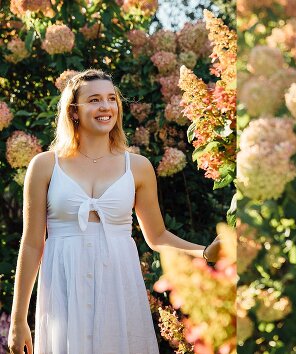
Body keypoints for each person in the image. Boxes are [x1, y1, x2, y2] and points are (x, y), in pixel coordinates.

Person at [8, 69, 221, 354]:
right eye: (94, 100)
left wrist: (204, 252)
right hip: (64, 287)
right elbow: (32, 244)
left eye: (111, 99)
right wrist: (18, 319)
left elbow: (157, 236)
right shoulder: (45, 165)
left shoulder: (138, 167)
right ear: (74, 111)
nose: (106, 106)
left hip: (119, 287)